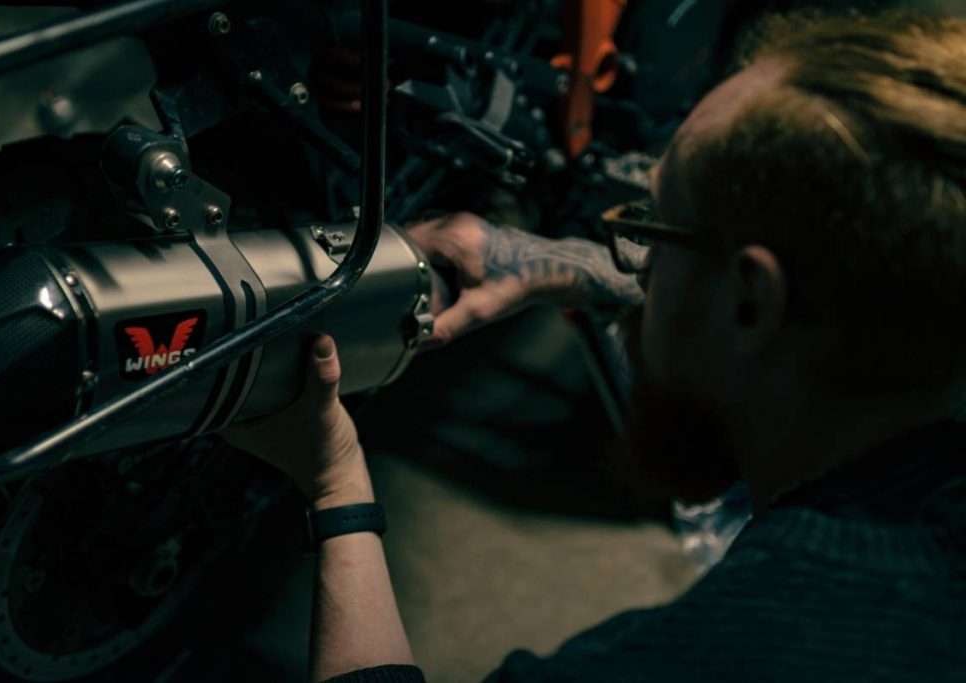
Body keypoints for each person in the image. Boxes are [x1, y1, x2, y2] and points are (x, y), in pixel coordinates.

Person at [225, 10, 966, 682]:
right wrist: (561, 263)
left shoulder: (756, 646)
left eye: (656, 226)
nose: (633, 254)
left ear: (751, 300)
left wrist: (336, 485)